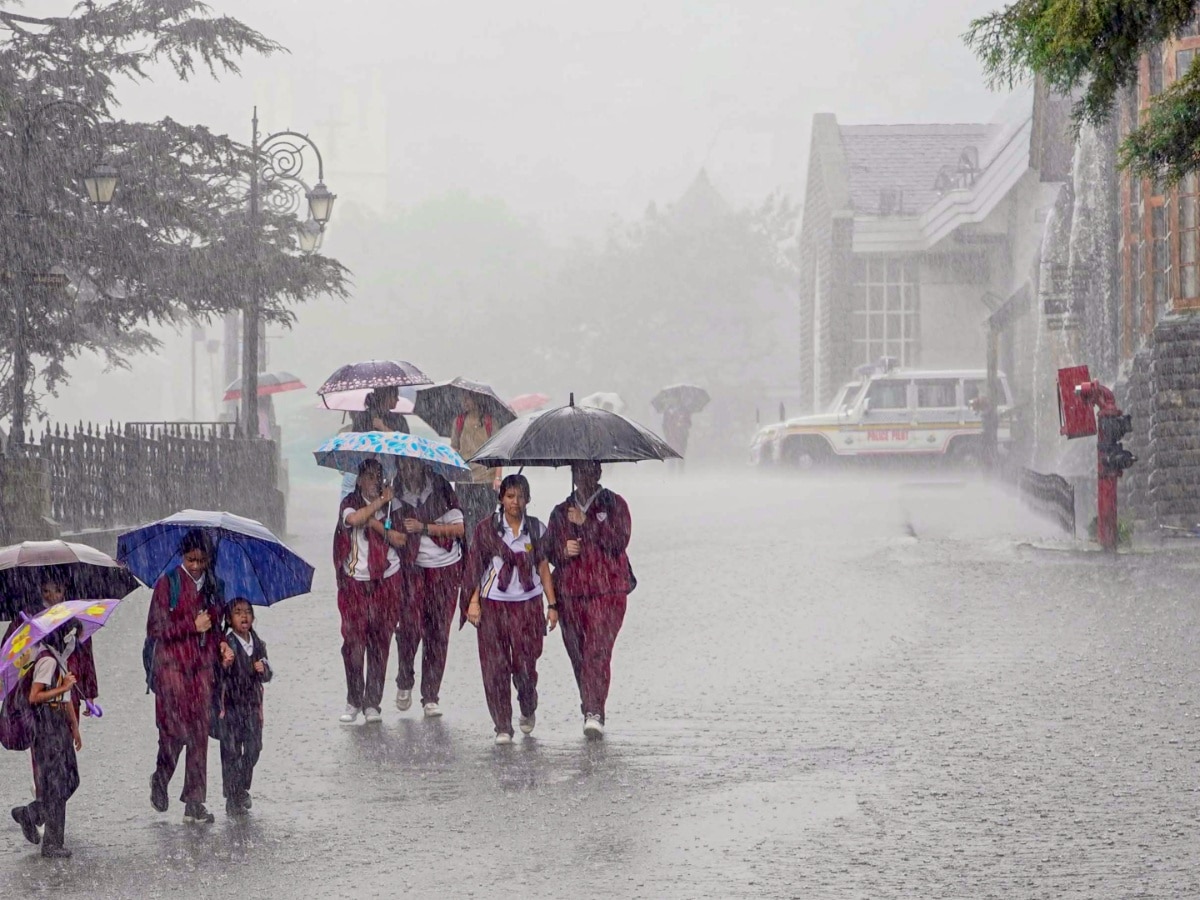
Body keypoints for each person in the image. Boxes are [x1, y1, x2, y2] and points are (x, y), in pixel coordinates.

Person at [462, 474, 558, 744]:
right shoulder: (486, 529)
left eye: (521, 496)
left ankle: (528, 705)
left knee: (525, 666)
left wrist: (552, 605)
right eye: (510, 496)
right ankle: (502, 725)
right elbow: (474, 569)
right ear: (501, 498)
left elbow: (543, 567)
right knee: (495, 667)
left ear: (528, 499)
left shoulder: (537, 529)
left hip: (528, 605)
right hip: (493, 605)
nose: (515, 502)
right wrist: (472, 602)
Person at [546, 461, 634, 738]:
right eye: (577, 472)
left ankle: (594, 711)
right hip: (571, 593)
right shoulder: (561, 512)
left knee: (597, 650)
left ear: (598, 473)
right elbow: (548, 551)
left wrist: (588, 526)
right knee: (578, 654)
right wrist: (563, 549)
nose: (582, 478)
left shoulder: (615, 504)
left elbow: (619, 542)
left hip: (607, 591)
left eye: (587, 472)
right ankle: (590, 704)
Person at [146, 529, 227, 824]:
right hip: (172, 669)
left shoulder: (214, 587)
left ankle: (195, 801)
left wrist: (221, 643)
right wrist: (191, 625)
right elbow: (156, 628)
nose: (195, 566)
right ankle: (161, 778)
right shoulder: (167, 584)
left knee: (198, 735)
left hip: (202, 669)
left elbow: (216, 626)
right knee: (173, 731)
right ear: (183, 556)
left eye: (201, 560)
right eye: (191, 559)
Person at [390, 457, 465, 717]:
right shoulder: (395, 491)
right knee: (410, 625)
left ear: (424, 466)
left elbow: (459, 528)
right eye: (404, 466)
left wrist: (425, 527)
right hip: (413, 568)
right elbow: (388, 527)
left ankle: (431, 695)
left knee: (438, 632)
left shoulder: (442, 487)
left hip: (446, 568)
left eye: (413, 465)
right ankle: (405, 677)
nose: (409, 471)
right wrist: (392, 532)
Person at [334, 458, 404, 724]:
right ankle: (353, 698)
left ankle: (372, 702)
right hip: (354, 581)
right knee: (353, 642)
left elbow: (400, 539)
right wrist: (377, 509)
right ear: (360, 479)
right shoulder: (349, 502)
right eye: (370, 477)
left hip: (386, 579)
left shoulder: (394, 506)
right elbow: (354, 519)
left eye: (379, 476)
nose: (375, 482)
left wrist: (382, 514)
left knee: (380, 641)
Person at [16, 623, 82, 858]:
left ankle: (32, 813)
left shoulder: (59, 658)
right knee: (56, 783)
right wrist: (62, 686)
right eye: (70, 634)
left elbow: (66, 698)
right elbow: (35, 696)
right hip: (47, 725)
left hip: (60, 724)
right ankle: (53, 843)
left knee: (71, 779)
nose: (72, 639)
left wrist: (74, 727)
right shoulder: (47, 660)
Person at [216, 598, 272, 818]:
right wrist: (225, 665)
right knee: (230, 751)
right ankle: (233, 796)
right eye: (238, 613)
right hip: (230, 706)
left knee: (253, 748)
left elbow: (268, 672)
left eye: (248, 612)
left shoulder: (258, 643)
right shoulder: (227, 643)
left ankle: (241, 787)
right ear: (229, 619)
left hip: (252, 706)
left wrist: (263, 668)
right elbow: (217, 675)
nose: (244, 617)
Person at [339, 386, 411, 498]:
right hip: (367, 465)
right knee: (350, 484)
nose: (397, 400)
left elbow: (405, 443)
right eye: (395, 396)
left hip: (386, 467)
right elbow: (358, 442)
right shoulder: (365, 417)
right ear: (386, 397)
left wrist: (382, 427)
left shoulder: (397, 420)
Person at [450, 391, 501, 534]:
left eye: (468, 399)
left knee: (485, 521)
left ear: (477, 400)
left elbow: (497, 452)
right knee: (464, 520)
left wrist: (497, 477)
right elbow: (454, 446)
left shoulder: (490, 422)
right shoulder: (459, 421)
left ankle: (483, 552)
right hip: (464, 480)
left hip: (485, 480)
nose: (464, 402)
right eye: (463, 399)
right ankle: (469, 552)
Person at [662, 406, 692, 471]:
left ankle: (681, 474)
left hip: (682, 438)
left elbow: (689, 423)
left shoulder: (684, 410)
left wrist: (682, 424)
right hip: (671, 438)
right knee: (671, 457)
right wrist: (667, 435)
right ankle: (671, 475)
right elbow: (664, 425)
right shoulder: (667, 411)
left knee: (681, 456)